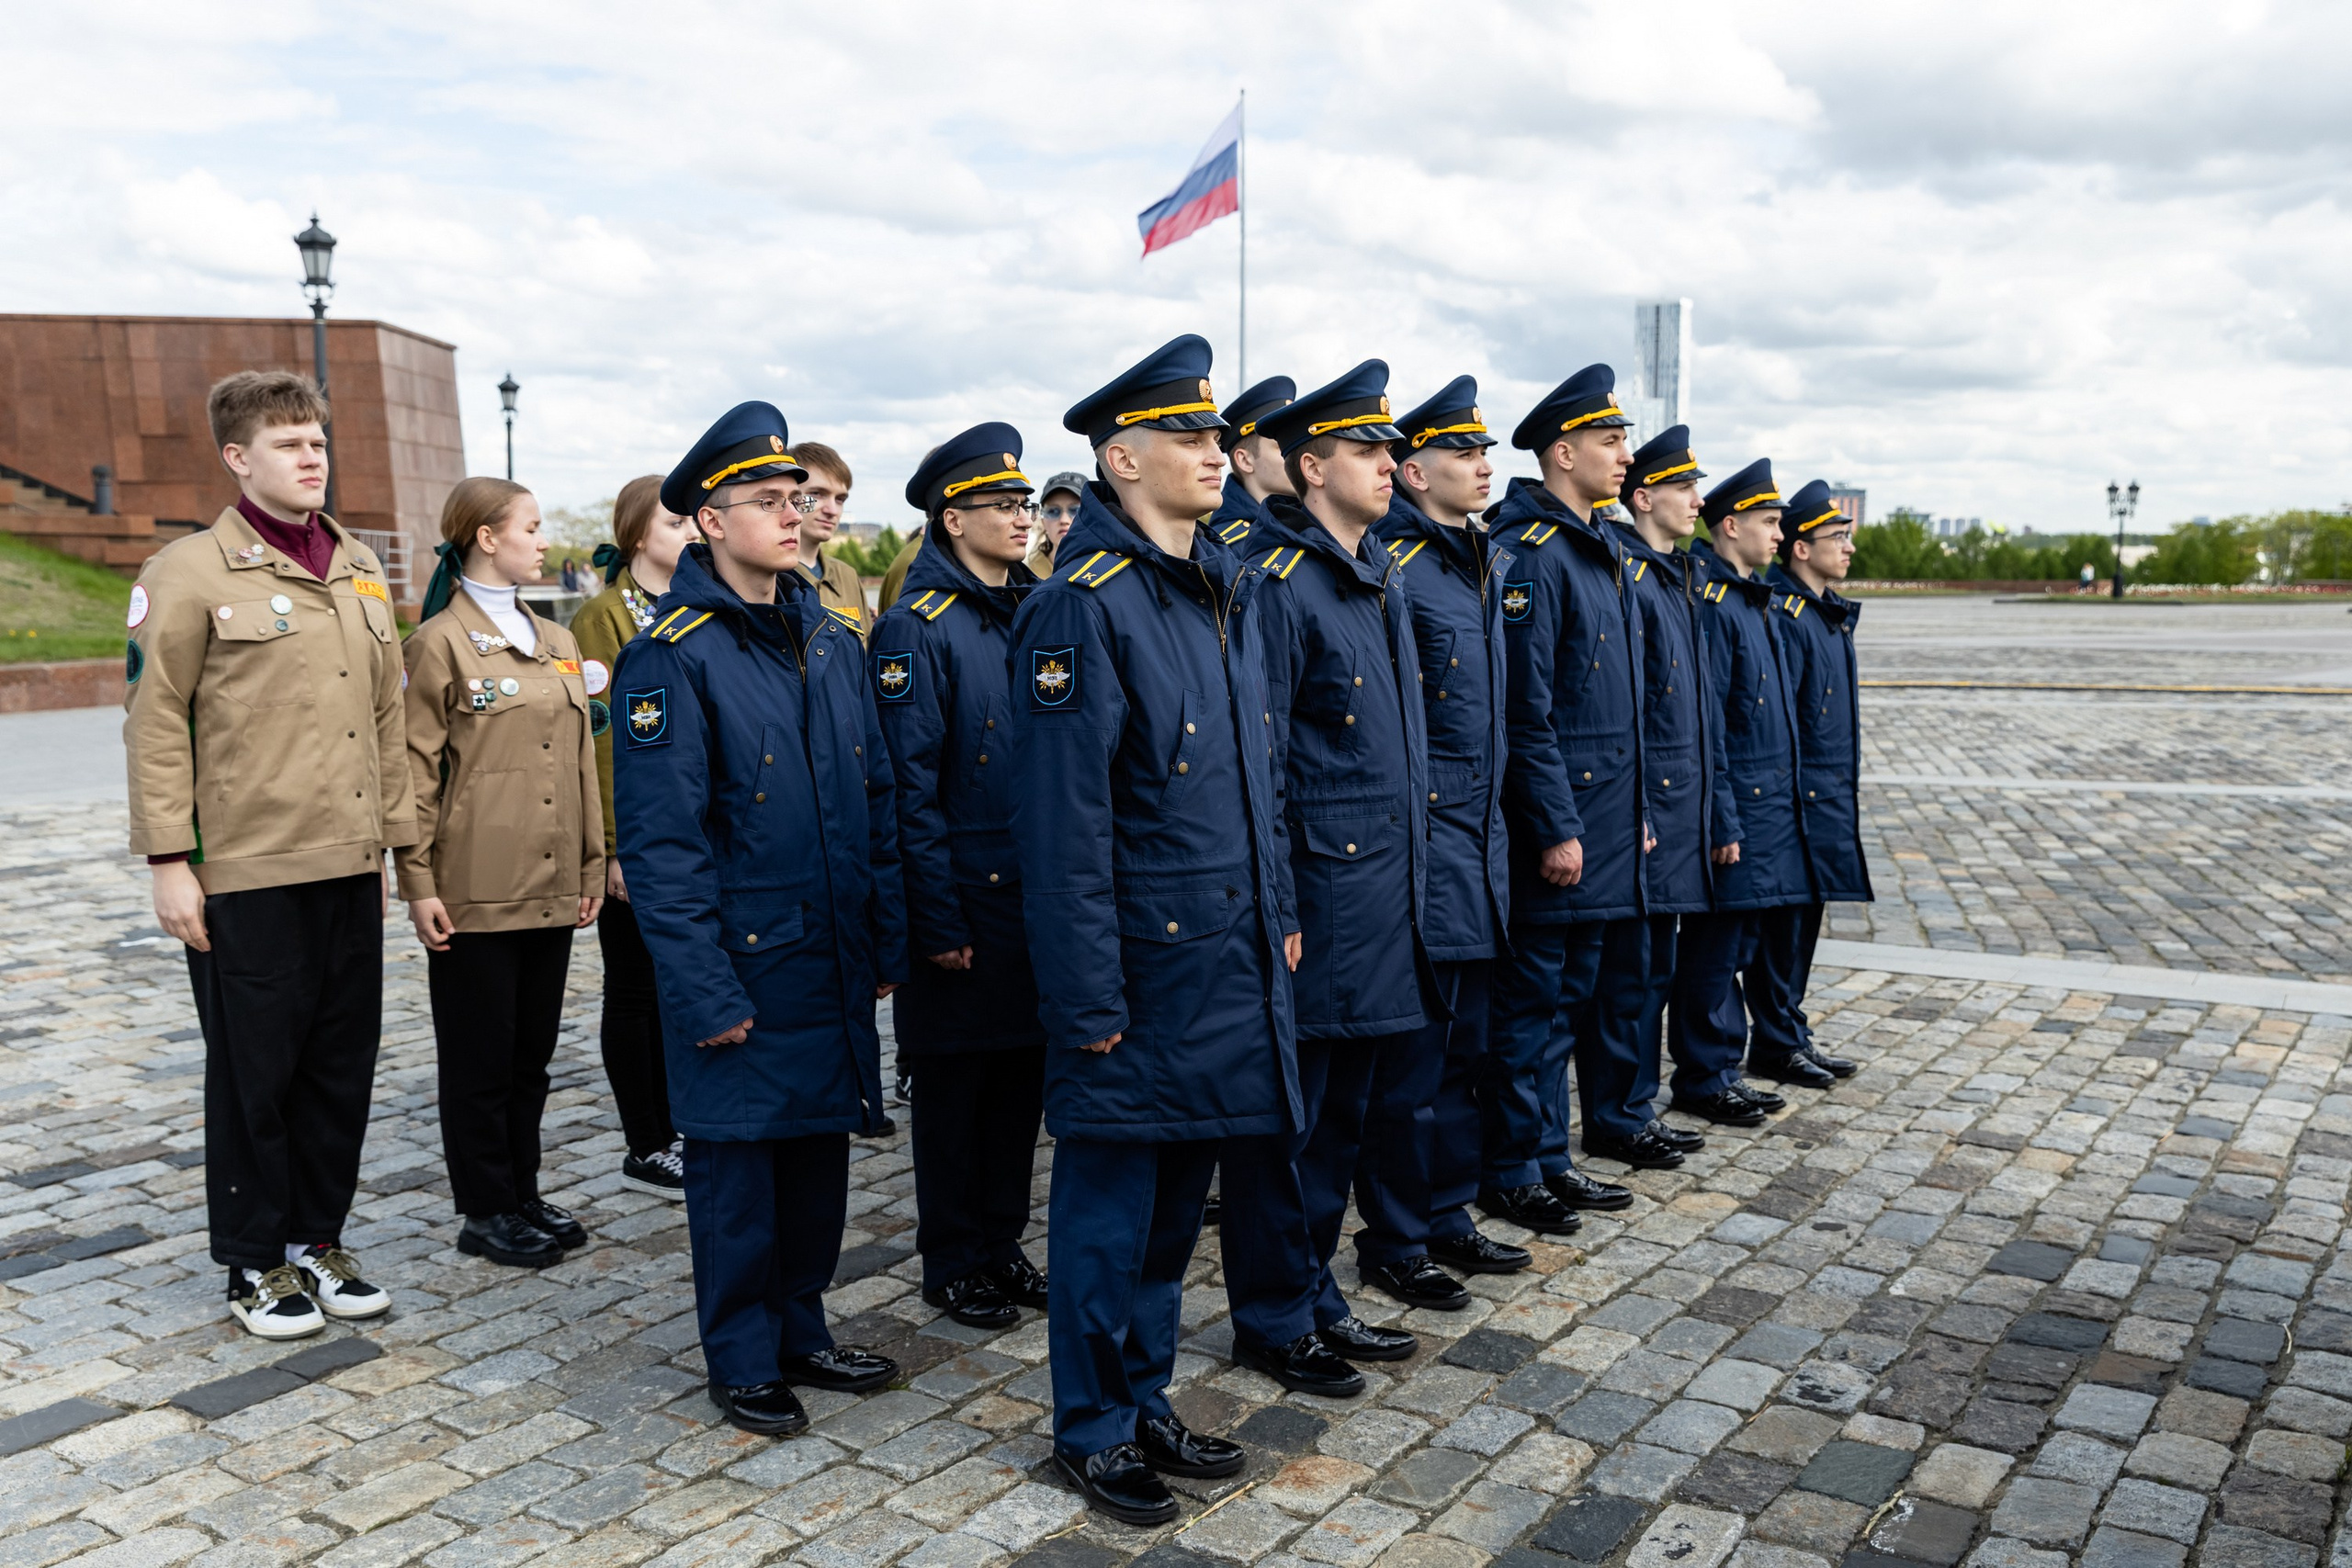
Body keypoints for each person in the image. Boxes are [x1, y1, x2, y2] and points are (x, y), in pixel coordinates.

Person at [1010, 334, 1292, 1525]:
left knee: (1177, 1211)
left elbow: (1249, 780)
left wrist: (1280, 925)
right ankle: (1089, 1426)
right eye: (1191, 436)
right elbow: (1063, 837)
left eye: (1220, 434)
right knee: (1108, 1213)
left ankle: (1144, 1394)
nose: (1217, 451)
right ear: (1123, 458)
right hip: (1136, 977)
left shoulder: (1215, 587)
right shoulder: (1084, 609)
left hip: (1220, 965)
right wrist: (1086, 1005)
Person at [613, 402, 906, 1437]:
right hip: (742, 962)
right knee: (739, 1168)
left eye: (798, 500)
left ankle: (802, 1326)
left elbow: (875, 799)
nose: (794, 517)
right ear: (707, 520)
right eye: (768, 502)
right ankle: (742, 1353)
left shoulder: (827, 639)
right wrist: (698, 986)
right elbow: (662, 846)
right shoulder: (672, 657)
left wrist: (884, 936)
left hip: (825, 953)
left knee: (816, 1157)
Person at [125, 369, 410, 1339]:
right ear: (238, 458)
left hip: (344, 863)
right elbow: (156, 719)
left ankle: (314, 1241)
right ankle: (253, 1262)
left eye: (318, 440)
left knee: (340, 1065)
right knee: (256, 1069)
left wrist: (398, 853)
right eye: (289, 444)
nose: (312, 457)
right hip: (244, 870)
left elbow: (386, 717)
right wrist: (170, 859)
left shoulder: (360, 568)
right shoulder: (189, 573)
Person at [1216, 360, 1429, 1391]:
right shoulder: (1279, 581)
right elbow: (1262, 760)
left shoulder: (1371, 569)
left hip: (1381, 891)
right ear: (1311, 467)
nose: (1389, 465)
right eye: (1366, 450)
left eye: (1390, 450)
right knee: (1288, 1128)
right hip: (1319, 895)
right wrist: (1282, 901)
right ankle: (1271, 1313)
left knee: (1340, 1120)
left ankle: (1314, 1294)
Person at [1364, 377, 1550, 1304]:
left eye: (1486, 455)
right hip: (1420, 856)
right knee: (1414, 1070)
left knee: (1467, 1053)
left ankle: (1446, 1213)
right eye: (1464, 455)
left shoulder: (1480, 561)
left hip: (1479, 853)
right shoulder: (1396, 566)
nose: (1484, 469)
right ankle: (1395, 1238)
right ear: (1412, 471)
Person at [1488, 364, 1681, 1216]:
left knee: (1569, 1002)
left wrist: (1632, 815)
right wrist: (1556, 826)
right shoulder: (1533, 555)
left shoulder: (1599, 548)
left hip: (1604, 823)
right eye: (1611, 442)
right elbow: (1527, 712)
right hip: (1559, 832)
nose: (1625, 456)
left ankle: (1548, 1154)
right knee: (1532, 1012)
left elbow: (1620, 710)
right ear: (1563, 453)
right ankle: (1516, 1169)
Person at [399, 478, 604, 1267]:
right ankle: (483, 1208)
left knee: (531, 1057)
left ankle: (522, 1189)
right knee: (480, 1061)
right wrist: (418, 883)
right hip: (473, 889)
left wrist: (590, 861)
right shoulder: (439, 643)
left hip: (552, 881)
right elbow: (414, 775)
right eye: (532, 525)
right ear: (486, 536)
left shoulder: (554, 641)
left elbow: (583, 761)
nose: (544, 539)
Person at [872, 423, 1049, 1331]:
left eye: (1025, 504)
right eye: (1002, 506)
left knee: (1019, 1087)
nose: (1021, 519)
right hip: (962, 901)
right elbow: (908, 786)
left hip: (1031, 896)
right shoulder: (917, 626)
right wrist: (935, 922)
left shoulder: (1036, 608)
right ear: (951, 519)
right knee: (955, 1095)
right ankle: (954, 1258)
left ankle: (1002, 1240)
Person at [1611, 433, 1775, 1134]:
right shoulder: (1638, 579)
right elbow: (1633, 712)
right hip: (1652, 806)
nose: (1697, 502)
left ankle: (1648, 1099)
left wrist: (1718, 811)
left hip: (1689, 801)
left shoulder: (1678, 579)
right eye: (1683, 489)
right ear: (1644, 497)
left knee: (1655, 968)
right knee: (1637, 975)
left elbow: (1703, 713)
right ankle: (1633, 1104)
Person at [1676, 460, 1839, 1110]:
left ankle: (1726, 1066)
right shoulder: (1717, 604)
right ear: (1732, 523)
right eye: (1770, 523)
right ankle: (1705, 1074)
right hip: (1738, 808)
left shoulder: (1752, 599)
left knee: (1743, 941)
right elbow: (1711, 723)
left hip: (1768, 808)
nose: (1779, 535)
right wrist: (1723, 816)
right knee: (1715, 951)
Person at [571, 477, 697, 1199]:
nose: (688, 531)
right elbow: (602, 737)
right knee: (635, 986)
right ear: (636, 533)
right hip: (637, 834)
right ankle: (646, 1140)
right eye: (674, 520)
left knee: (677, 983)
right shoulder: (602, 618)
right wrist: (614, 845)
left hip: (689, 832)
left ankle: (680, 1119)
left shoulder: (691, 606)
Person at [1762, 479, 1871, 1080]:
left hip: (1824, 795)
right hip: (1794, 799)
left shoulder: (1823, 612)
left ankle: (1791, 1029)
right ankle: (1777, 1039)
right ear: (1800, 548)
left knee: (1804, 924)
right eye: (1836, 537)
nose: (1847, 547)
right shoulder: (1789, 613)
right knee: (1780, 929)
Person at [1207, 376, 1296, 554]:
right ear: (1245, 461)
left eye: (1296, 445)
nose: (1297, 456)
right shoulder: (1228, 549)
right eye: (1283, 447)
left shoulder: (1302, 526)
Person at [791, 441, 870, 638]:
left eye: (840, 499)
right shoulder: (767, 576)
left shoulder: (848, 576)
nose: (832, 510)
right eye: (817, 494)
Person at [1026, 470, 1087, 579]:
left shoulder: (1111, 569)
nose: (1064, 520)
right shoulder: (1026, 577)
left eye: (1076, 511)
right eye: (1053, 511)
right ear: (1043, 521)